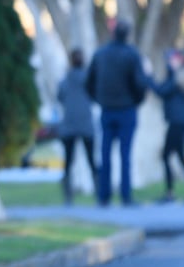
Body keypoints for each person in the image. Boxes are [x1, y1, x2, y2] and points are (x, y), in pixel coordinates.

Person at [85, 19, 149, 206]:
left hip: (107, 109)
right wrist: (135, 101)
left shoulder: (100, 54)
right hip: (126, 110)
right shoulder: (131, 55)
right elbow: (140, 83)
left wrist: (99, 99)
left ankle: (104, 196)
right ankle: (125, 196)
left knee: (105, 154)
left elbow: (89, 83)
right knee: (125, 154)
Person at [150, 50, 184, 203]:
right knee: (179, 156)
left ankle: (172, 192)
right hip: (178, 121)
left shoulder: (179, 76)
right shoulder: (176, 76)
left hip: (178, 122)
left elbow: (161, 91)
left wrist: (148, 75)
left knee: (167, 155)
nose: (168, 63)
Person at [56, 48, 98, 205]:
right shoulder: (89, 79)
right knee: (91, 161)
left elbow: (60, 97)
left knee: (68, 162)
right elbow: (95, 96)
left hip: (68, 125)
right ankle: (99, 195)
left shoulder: (64, 80)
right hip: (86, 124)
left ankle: (68, 197)